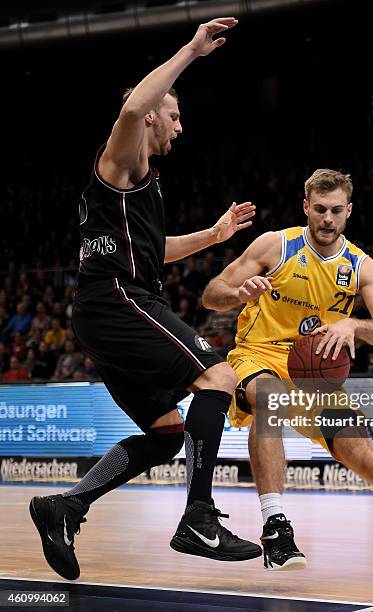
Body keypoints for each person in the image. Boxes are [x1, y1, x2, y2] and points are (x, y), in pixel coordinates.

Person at [29, 17, 261, 582]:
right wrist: (191, 50)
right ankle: (198, 518)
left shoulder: (143, 184)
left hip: (103, 312)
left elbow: (154, 250)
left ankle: (66, 506)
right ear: (156, 112)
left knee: (166, 434)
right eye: (175, 115)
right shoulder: (123, 161)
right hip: (117, 302)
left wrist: (211, 236)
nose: (180, 128)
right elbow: (133, 108)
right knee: (219, 376)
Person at [202, 169, 373, 573]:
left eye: (336, 211)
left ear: (348, 212)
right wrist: (239, 294)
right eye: (321, 209)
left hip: (315, 375)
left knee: (364, 455)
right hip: (260, 355)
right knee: (270, 400)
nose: (328, 218)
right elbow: (211, 294)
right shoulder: (277, 245)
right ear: (306, 207)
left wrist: (354, 325)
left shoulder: (360, 265)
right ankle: (276, 526)